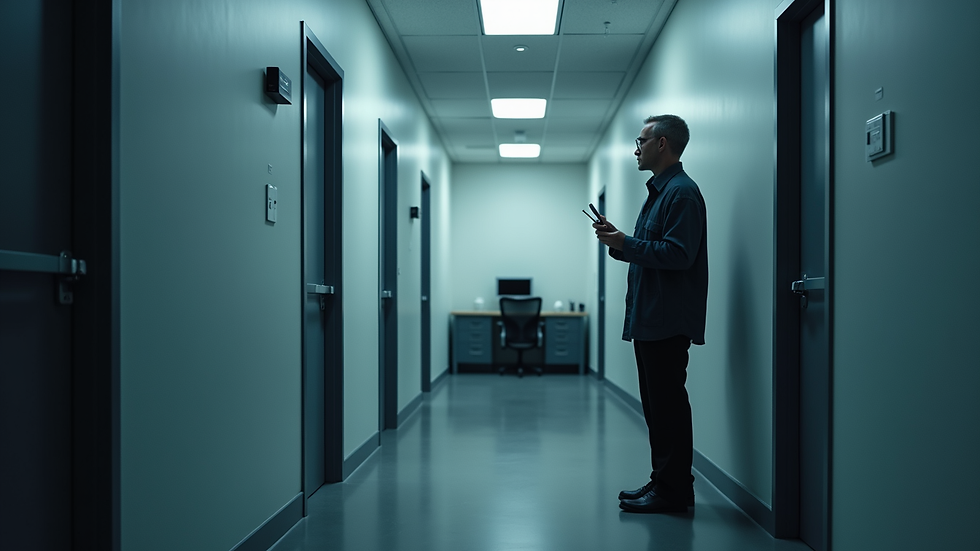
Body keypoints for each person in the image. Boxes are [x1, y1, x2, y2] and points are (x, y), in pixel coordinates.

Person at [593, 114, 708, 514]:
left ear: (662, 144)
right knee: (658, 408)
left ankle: (675, 491)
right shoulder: (660, 193)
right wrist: (620, 240)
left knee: (669, 408)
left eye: (641, 141)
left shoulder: (681, 193)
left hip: (667, 319)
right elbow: (651, 249)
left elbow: (679, 254)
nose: (636, 149)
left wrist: (627, 241)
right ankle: (664, 483)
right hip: (651, 316)